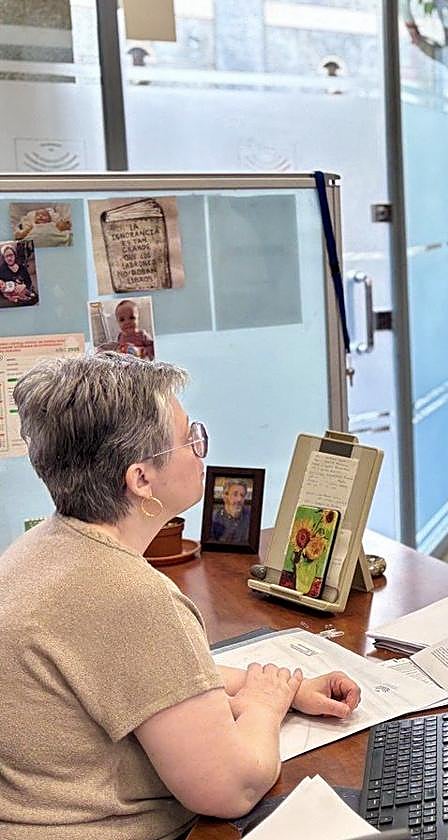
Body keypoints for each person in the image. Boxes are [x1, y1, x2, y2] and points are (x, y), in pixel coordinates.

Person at [0, 353, 362, 839]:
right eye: (191, 438)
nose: (200, 450)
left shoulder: (39, 550)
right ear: (140, 479)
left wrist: (289, 687)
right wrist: (264, 705)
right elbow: (231, 788)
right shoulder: (130, 597)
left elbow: (156, 678)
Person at [210, 479, 251, 544]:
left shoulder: (251, 517)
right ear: (225, 496)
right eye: (235, 494)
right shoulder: (214, 519)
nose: (239, 499)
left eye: (242, 495)